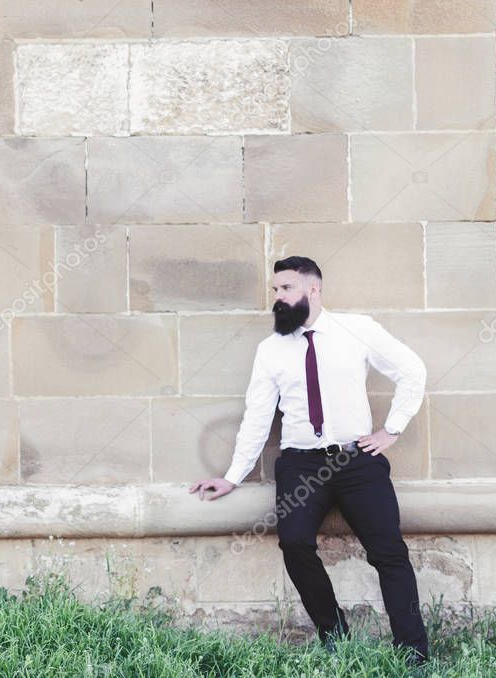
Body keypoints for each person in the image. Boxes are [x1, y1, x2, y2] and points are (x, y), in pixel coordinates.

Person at [189, 256, 430, 665]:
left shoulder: (357, 329)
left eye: (286, 289)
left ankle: (414, 654)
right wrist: (232, 476)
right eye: (275, 291)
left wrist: (392, 429)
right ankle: (336, 638)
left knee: (388, 552)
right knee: (294, 543)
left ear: (312, 289)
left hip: (357, 462)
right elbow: (258, 416)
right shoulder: (270, 350)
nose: (277, 298)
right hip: (302, 466)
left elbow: (412, 370)